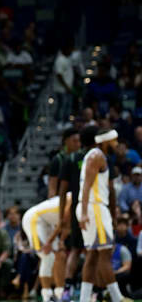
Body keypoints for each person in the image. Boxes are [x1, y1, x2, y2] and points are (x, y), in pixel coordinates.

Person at [76, 128, 130, 302]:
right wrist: (84, 213)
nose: (116, 144)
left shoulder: (97, 156)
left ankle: (84, 299)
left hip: (94, 208)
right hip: (94, 208)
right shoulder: (97, 156)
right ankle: (117, 297)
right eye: (114, 140)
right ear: (105, 141)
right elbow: (86, 187)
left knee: (92, 255)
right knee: (105, 253)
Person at [57, 125, 99, 298]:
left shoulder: (71, 158)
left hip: (76, 208)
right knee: (93, 250)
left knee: (75, 249)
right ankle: (93, 290)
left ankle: (67, 289)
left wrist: (61, 216)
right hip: (94, 208)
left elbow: (62, 191)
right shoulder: (98, 157)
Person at [22, 194, 70, 301]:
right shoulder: (72, 198)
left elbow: (67, 227)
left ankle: (60, 294)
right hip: (34, 218)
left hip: (49, 223)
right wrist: (49, 242)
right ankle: (47, 296)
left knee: (61, 255)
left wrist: (61, 241)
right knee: (47, 256)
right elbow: (63, 222)